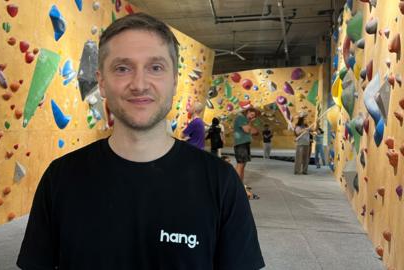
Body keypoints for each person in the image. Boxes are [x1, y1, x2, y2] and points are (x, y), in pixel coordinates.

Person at [17, 13, 264, 270]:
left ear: (174, 81)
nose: (139, 84)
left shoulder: (221, 182)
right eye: (123, 68)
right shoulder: (60, 178)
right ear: (101, 82)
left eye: (155, 68)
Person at [233, 107, 259, 187]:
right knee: (240, 165)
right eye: (251, 114)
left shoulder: (246, 120)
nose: (252, 117)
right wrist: (250, 124)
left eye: (253, 116)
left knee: (243, 165)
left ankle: (240, 185)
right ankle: (236, 185)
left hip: (245, 144)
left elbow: (256, 132)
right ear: (248, 111)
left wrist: (250, 124)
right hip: (240, 144)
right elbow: (247, 130)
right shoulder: (241, 117)